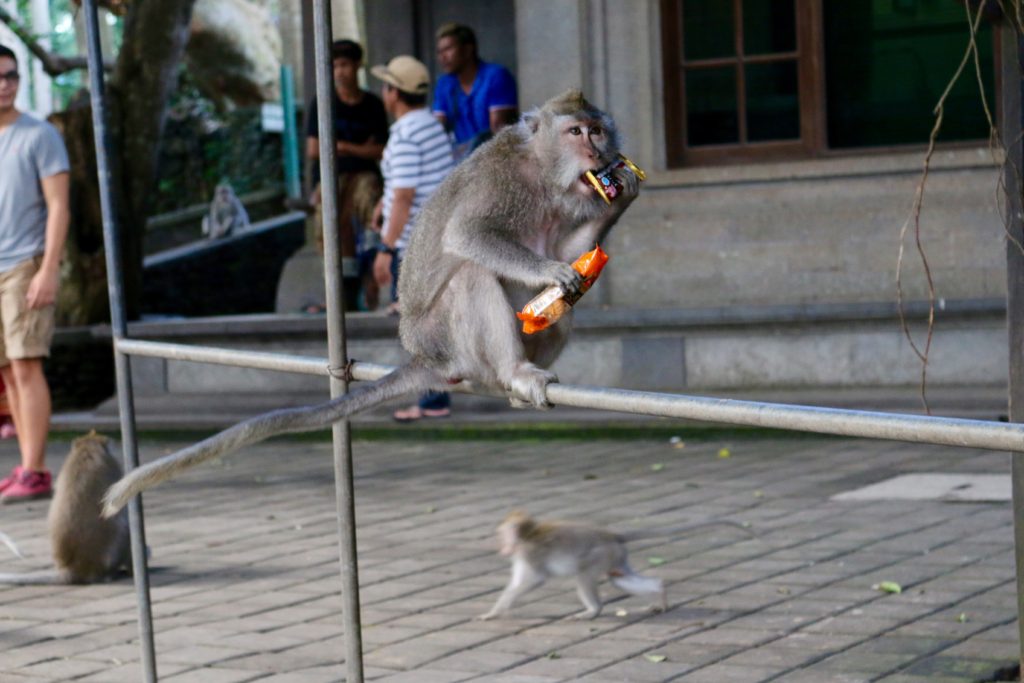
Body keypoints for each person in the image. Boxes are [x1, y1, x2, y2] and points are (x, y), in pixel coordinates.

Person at [0, 44, 70, 503]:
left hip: (24, 265)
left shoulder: (39, 134)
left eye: (11, 76)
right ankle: (28, 466)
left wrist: (48, 269)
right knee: (7, 371)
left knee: (27, 364)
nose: (4, 84)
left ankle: (35, 468)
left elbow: (59, 204)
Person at [369, 55, 455, 422]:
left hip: (413, 248)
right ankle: (437, 394)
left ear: (393, 93)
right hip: (437, 239)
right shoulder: (430, 125)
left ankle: (433, 401)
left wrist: (386, 248)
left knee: (419, 329)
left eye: (386, 85)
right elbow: (404, 186)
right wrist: (381, 205)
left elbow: (404, 196)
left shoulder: (404, 134)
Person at [306, 39, 389, 311]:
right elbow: (315, 149)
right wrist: (358, 148)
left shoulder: (373, 104)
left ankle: (372, 282)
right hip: (332, 178)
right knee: (328, 229)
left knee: (370, 216)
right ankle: (339, 294)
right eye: (334, 66)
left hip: (365, 177)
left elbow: (380, 150)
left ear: (356, 66)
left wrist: (342, 145)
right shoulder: (323, 102)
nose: (339, 72)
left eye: (344, 65)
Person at [432, 22, 519, 160]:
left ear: (467, 50)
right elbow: (437, 130)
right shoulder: (444, 83)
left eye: (448, 49)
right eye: (439, 51)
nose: (442, 57)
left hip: (493, 159)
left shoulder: (496, 76)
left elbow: (500, 132)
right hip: (460, 160)